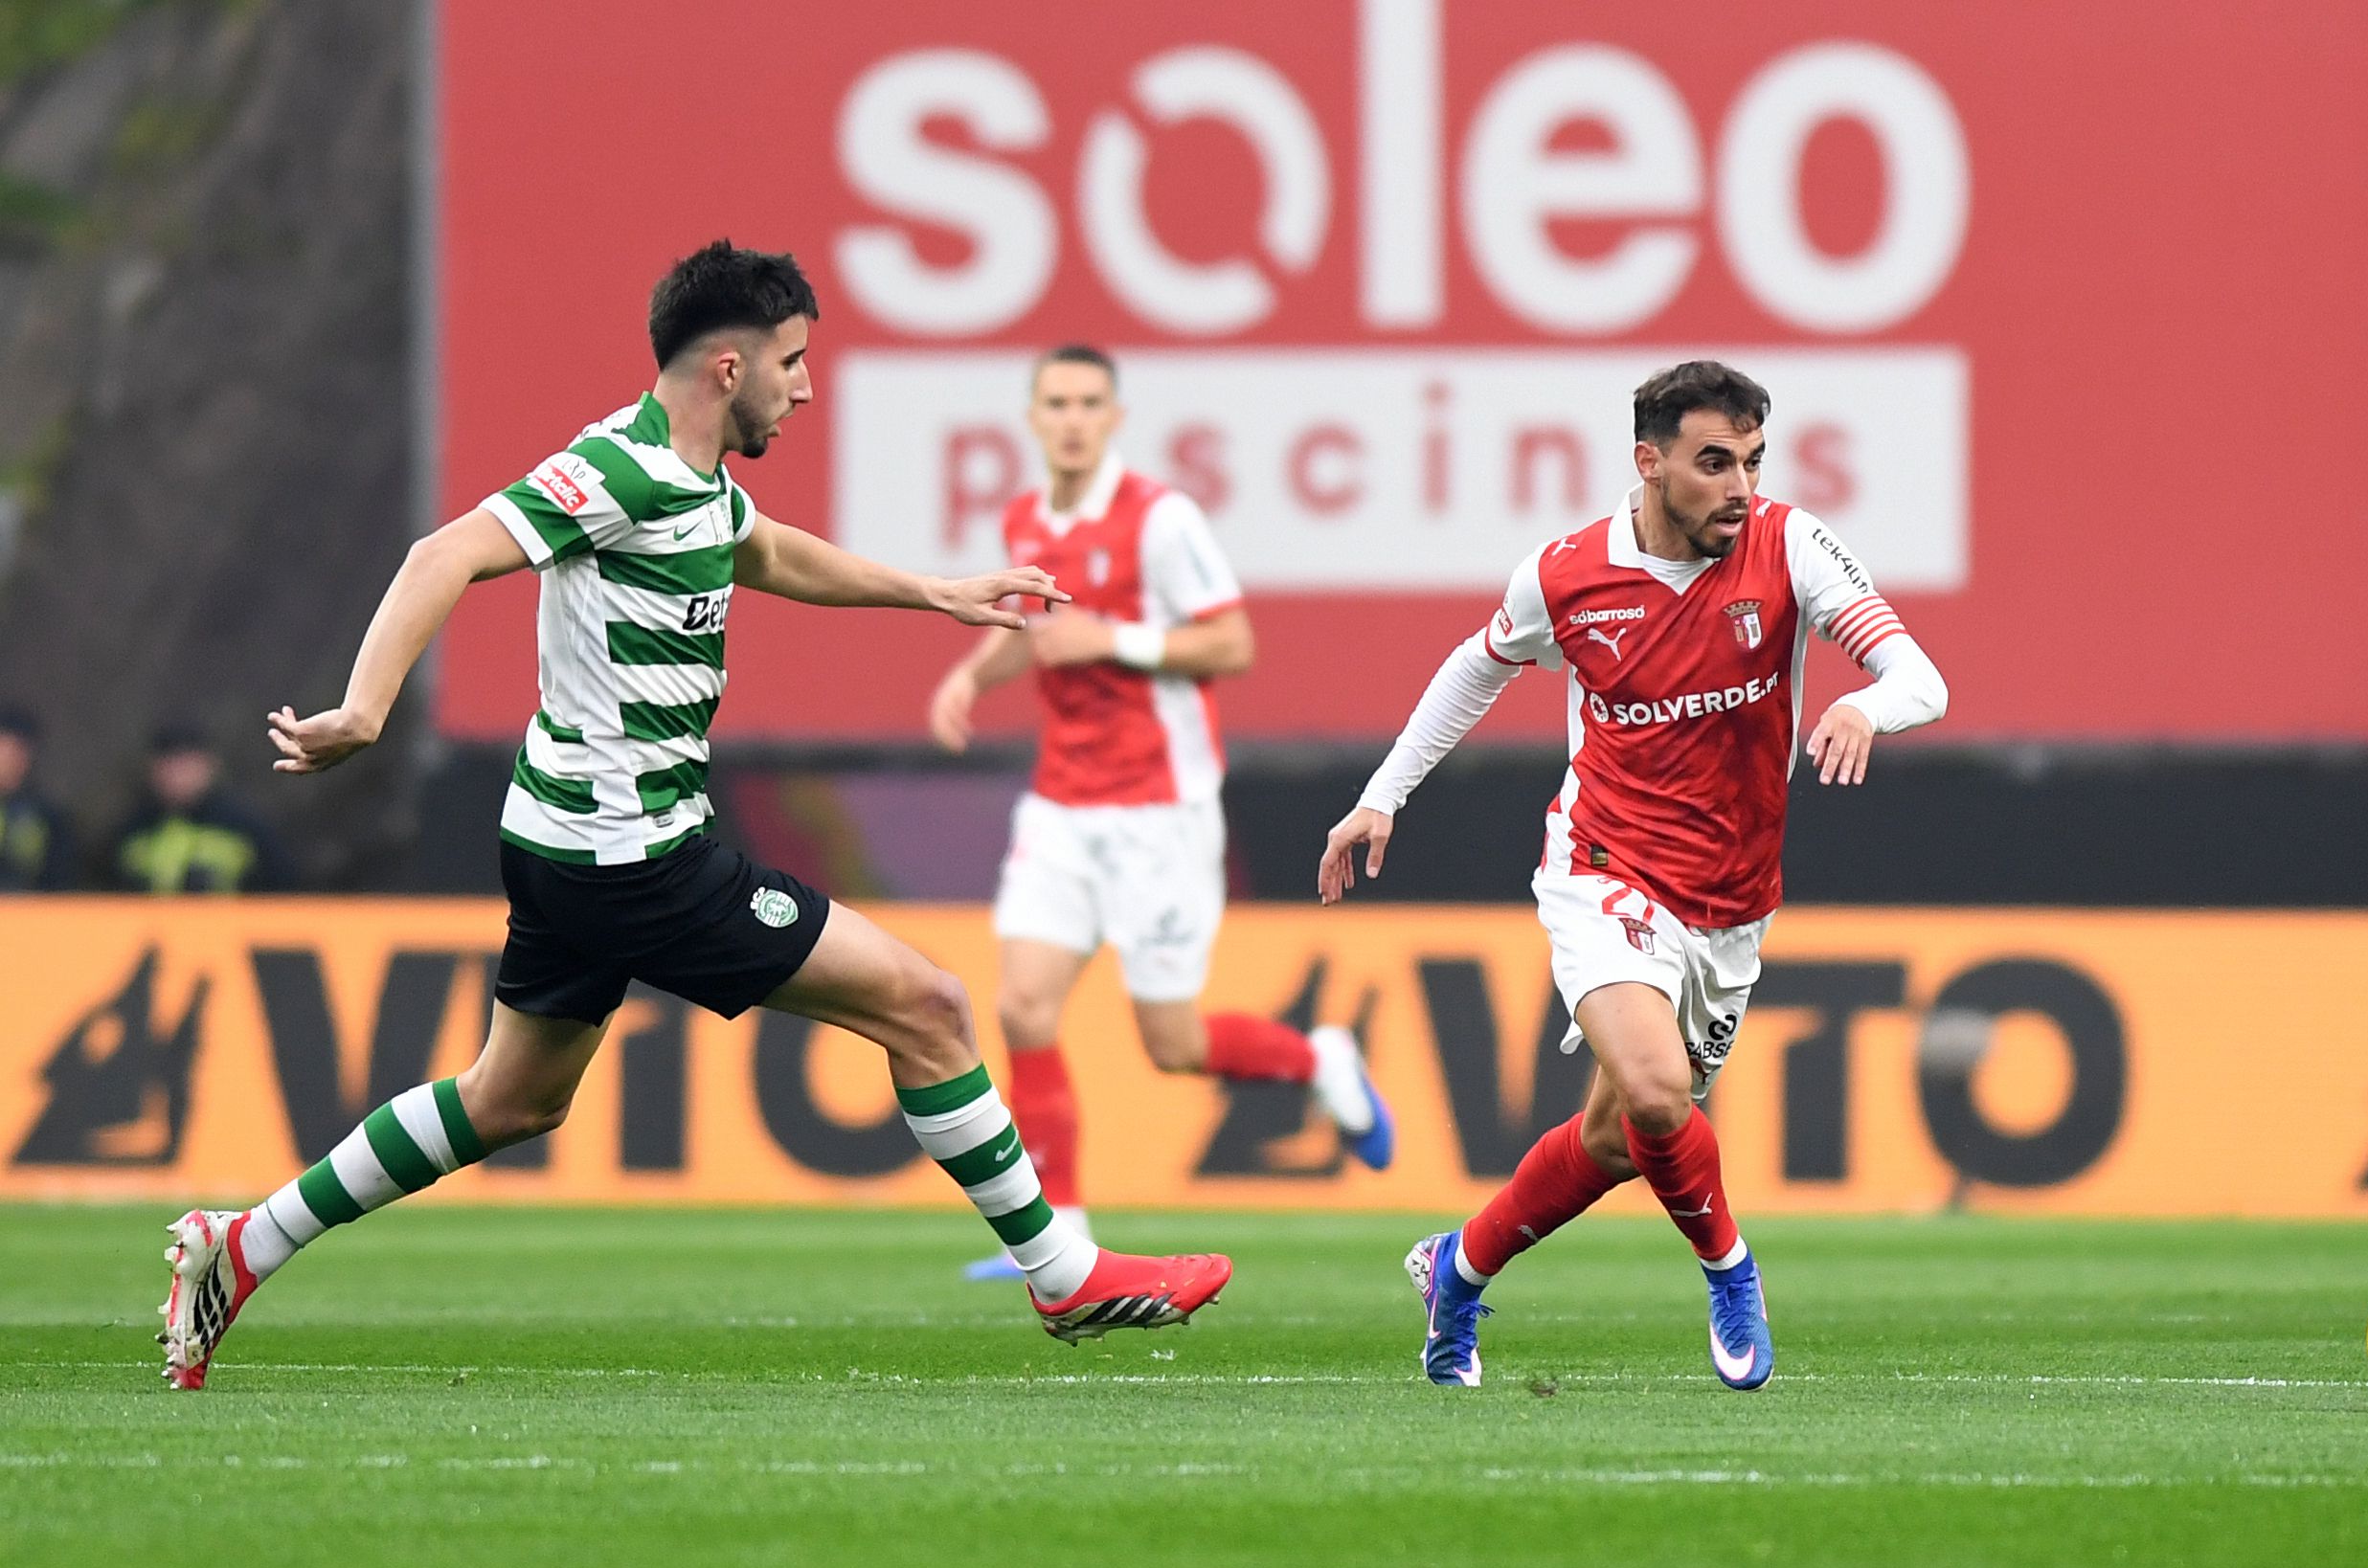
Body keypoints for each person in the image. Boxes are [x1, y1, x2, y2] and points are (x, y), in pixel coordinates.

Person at [157, 241, 1231, 1389]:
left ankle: (243, 1243)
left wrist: (933, 590)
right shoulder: (618, 470)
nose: (804, 386)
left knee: (508, 1097)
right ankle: (1064, 1271)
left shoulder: (696, 481)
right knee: (929, 1006)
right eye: (793, 361)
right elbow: (446, 551)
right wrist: (365, 710)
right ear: (728, 367)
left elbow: (763, 550)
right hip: (634, 857)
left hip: (566, 840)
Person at [1318, 361, 1947, 1390]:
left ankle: (1457, 1267)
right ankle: (1731, 1271)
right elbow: (1476, 663)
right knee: (1659, 1093)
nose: (1738, 486)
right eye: (1712, 463)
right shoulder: (1566, 575)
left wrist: (1862, 707)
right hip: (1601, 862)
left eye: (1750, 460)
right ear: (1648, 464)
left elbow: (1919, 675)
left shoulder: (1788, 544)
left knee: (1618, 1135)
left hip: (1732, 902)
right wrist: (1383, 793)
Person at [929, 345, 1389, 1281]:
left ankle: (1318, 1058)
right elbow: (1042, 634)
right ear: (1031, 415)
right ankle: (1057, 1231)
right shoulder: (1024, 516)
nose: (1070, 417)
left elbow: (1231, 641)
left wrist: (1118, 636)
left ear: (1113, 416)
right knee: (1020, 1004)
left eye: (1088, 402)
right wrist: (974, 670)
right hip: (1061, 802)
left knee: (1170, 1044)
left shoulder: (1159, 518)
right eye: (1054, 401)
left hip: (1159, 809)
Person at [109, 723, 295, 892]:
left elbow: (283, 888)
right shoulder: (130, 831)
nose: (178, 776)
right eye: (169, 766)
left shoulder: (244, 828)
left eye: (187, 765)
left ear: (210, 766)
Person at [0, 704, 74, 890]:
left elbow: (60, 881)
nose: (8, 760)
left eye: (17, 750)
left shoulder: (49, 818)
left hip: (30, 915)